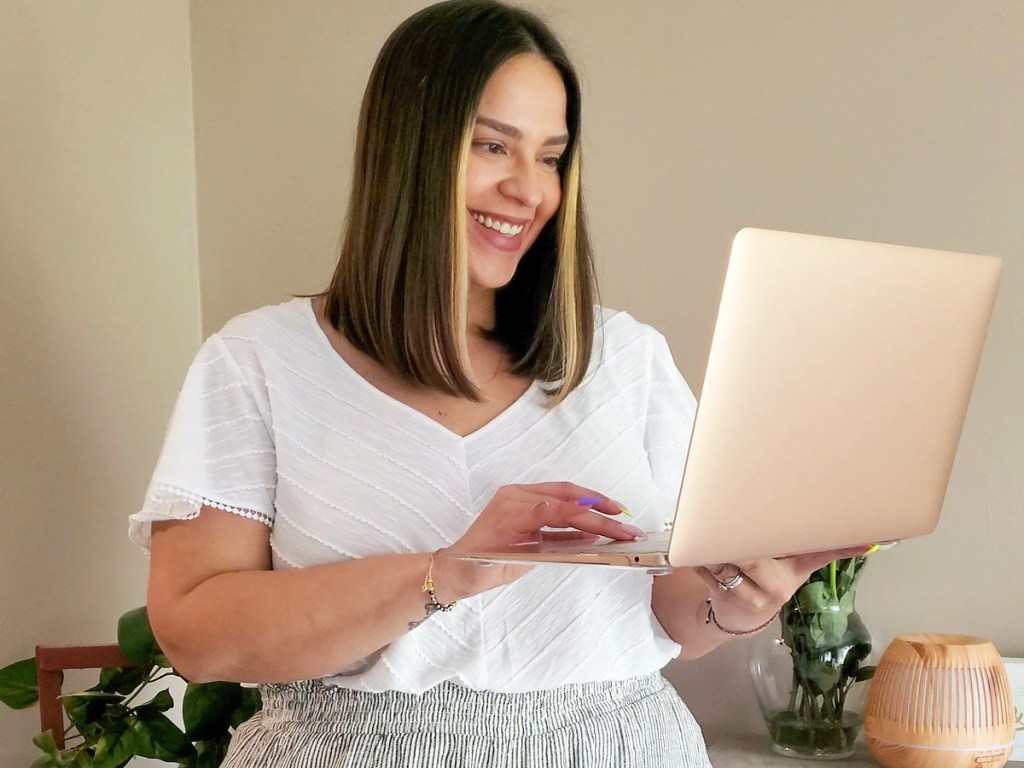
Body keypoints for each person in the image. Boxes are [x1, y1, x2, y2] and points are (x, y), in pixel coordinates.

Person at [130, 1, 867, 765]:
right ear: (406, 153)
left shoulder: (624, 359)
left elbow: (674, 617)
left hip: (620, 744)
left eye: (551, 157)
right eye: (493, 146)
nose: (531, 190)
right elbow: (196, 636)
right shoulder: (259, 362)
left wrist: (741, 600)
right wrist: (444, 573)